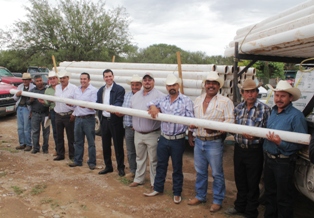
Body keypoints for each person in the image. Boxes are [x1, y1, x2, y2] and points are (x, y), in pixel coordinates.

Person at [143, 74, 194, 204]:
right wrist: (153, 107)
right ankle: (158, 188)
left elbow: (191, 119)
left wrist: (190, 135)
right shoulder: (163, 99)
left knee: (177, 167)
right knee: (161, 165)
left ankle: (177, 193)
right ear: (166, 87)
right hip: (164, 137)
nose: (172, 87)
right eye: (169, 85)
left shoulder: (186, 100)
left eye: (174, 85)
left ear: (178, 86)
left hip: (178, 139)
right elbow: (149, 103)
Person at [187, 71, 234, 213]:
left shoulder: (226, 102)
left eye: (214, 83)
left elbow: (230, 122)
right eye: (208, 83)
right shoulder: (198, 100)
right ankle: (200, 196)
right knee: (200, 171)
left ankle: (217, 200)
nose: (211, 86)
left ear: (219, 86)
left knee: (217, 173)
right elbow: (192, 119)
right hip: (199, 140)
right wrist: (190, 133)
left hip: (214, 142)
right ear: (205, 85)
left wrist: (214, 130)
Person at [225, 79, 271, 218]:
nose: (250, 94)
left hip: (255, 150)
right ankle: (239, 206)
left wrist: (256, 137)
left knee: (253, 181)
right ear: (242, 93)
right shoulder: (238, 108)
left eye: (252, 91)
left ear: (257, 93)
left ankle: (251, 212)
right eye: (247, 92)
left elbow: (269, 132)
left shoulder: (265, 109)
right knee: (240, 180)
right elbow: (233, 129)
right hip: (239, 149)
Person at [263, 80, 307, 218]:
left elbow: (300, 142)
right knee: (269, 193)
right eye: (277, 95)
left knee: (283, 197)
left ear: (290, 98)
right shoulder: (273, 112)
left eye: (283, 96)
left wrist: (280, 143)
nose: (278, 99)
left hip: (283, 162)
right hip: (269, 159)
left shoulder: (296, 116)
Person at [129, 73, 165, 188]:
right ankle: (139, 179)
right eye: (145, 80)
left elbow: (164, 110)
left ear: (153, 81)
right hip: (138, 133)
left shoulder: (160, 95)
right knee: (139, 158)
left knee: (154, 160)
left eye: (150, 80)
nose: (147, 82)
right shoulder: (135, 96)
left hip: (152, 133)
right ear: (142, 82)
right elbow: (131, 111)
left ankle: (155, 183)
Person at [96, 69, 125, 176]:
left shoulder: (119, 89)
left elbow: (119, 101)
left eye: (110, 76)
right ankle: (108, 166)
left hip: (115, 121)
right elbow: (98, 104)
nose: (108, 78)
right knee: (105, 145)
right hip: (104, 121)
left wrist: (112, 108)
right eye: (106, 77)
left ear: (113, 76)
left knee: (118, 145)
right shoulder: (101, 90)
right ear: (103, 78)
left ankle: (120, 168)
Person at [69, 72, 98, 170]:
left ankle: (92, 162)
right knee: (78, 141)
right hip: (78, 118)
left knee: (91, 142)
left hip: (88, 119)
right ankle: (78, 160)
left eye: (85, 79)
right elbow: (74, 104)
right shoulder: (76, 89)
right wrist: (71, 105)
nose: (82, 81)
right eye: (81, 79)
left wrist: (85, 105)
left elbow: (94, 105)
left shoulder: (93, 90)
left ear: (89, 80)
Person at [119, 74, 142, 178]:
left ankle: (140, 172)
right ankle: (133, 170)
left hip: (139, 128)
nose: (135, 87)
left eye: (137, 85)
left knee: (140, 152)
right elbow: (124, 109)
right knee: (130, 151)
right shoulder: (127, 95)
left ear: (141, 85)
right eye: (133, 85)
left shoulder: (143, 96)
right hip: (128, 126)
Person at [53, 70, 76, 161]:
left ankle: (72, 155)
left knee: (71, 136)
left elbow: (76, 102)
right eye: (61, 78)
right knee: (59, 136)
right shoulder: (57, 87)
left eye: (64, 78)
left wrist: (74, 113)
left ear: (68, 78)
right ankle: (60, 154)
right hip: (58, 114)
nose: (62, 80)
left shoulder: (73, 88)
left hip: (68, 115)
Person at [28, 75, 50, 154]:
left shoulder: (47, 90)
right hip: (35, 114)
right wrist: (31, 100)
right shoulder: (32, 91)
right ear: (34, 82)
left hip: (45, 114)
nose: (39, 82)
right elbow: (27, 103)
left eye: (40, 80)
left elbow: (50, 102)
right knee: (35, 132)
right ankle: (36, 148)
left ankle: (45, 148)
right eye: (37, 81)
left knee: (46, 132)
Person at [38, 70, 59, 156]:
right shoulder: (48, 90)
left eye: (54, 78)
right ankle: (58, 149)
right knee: (56, 131)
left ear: (57, 79)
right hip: (54, 111)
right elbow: (47, 104)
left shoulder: (62, 87)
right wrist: (44, 102)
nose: (52, 80)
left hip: (64, 111)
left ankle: (72, 150)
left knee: (70, 132)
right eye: (51, 79)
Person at [14, 73, 35, 151]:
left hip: (27, 108)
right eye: (24, 79)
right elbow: (15, 98)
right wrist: (17, 94)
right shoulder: (20, 86)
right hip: (19, 107)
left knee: (27, 127)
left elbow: (34, 101)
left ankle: (29, 144)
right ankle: (22, 143)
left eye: (26, 79)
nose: (25, 81)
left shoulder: (33, 87)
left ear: (30, 80)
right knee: (20, 127)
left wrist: (31, 111)